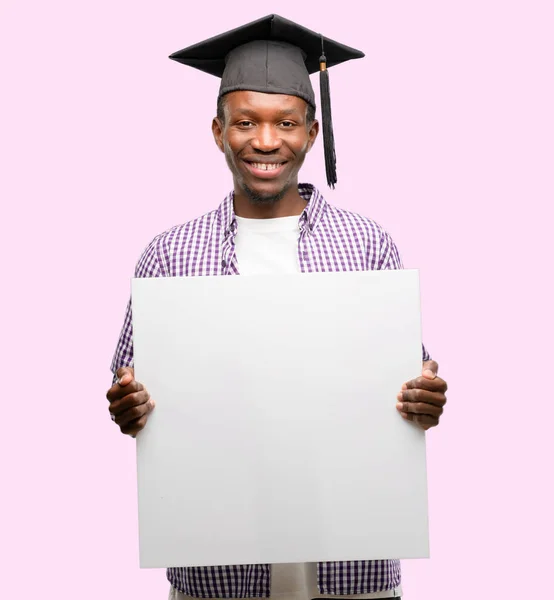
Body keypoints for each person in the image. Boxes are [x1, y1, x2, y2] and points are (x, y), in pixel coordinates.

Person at [106, 14, 448, 600]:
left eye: (286, 122)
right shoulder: (169, 254)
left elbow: (408, 382)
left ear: (313, 132)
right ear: (218, 131)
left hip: (352, 569)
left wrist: (424, 396)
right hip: (216, 571)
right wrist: (128, 402)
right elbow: (128, 391)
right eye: (245, 122)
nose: (266, 141)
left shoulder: (368, 245)